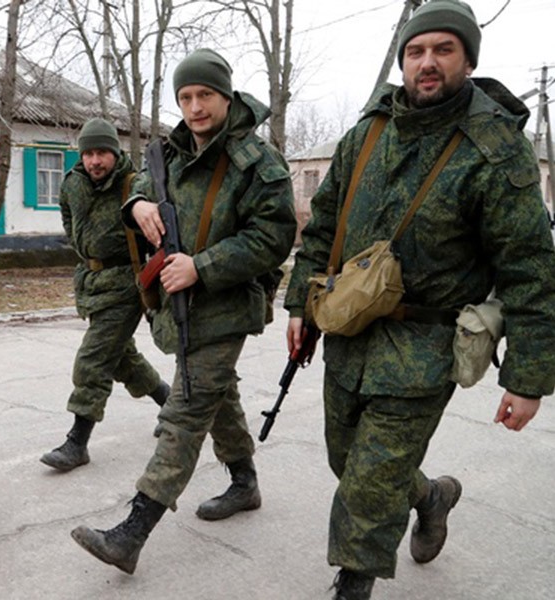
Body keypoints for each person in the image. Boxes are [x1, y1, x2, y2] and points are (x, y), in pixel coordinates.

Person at [283, 1, 555, 598]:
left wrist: (528, 376)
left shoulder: (494, 148)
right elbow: (324, 224)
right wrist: (300, 306)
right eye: (416, 51)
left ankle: (351, 584)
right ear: (404, 60)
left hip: (423, 349)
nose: (427, 63)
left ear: (467, 58)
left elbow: (529, 267)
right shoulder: (368, 132)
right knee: (347, 459)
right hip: (350, 332)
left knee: (369, 485)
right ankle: (432, 497)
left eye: (443, 50)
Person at [70, 49, 297, 574]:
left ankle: (132, 530)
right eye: (186, 97)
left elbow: (273, 237)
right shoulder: (169, 153)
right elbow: (147, 191)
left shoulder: (258, 162)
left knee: (187, 409)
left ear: (226, 96)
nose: (195, 107)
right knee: (217, 397)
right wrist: (137, 205)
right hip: (179, 305)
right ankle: (244, 482)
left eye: (205, 96)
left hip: (227, 304)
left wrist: (203, 266)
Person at [40, 118, 170, 472]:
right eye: (88, 153)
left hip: (126, 283)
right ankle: (170, 402)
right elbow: (71, 225)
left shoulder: (134, 183)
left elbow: (154, 219)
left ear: (115, 152)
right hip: (91, 282)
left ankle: (76, 443)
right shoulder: (73, 184)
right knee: (122, 359)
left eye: (102, 153)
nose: (95, 161)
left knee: (93, 360)